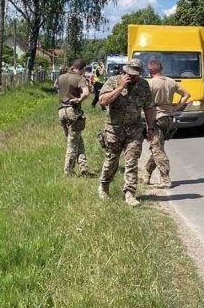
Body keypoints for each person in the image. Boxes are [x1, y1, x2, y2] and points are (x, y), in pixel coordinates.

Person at [97, 58, 155, 207]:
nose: (133, 76)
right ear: (125, 71)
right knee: (112, 161)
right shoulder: (113, 81)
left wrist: (151, 128)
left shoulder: (143, 85)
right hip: (114, 130)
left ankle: (129, 193)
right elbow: (103, 101)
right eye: (130, 73)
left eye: (136, 74)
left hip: (134, 129)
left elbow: (148, 107)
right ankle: (104, 186)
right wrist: (120, 87)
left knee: (132, 161)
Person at [142, 59, 190, 188]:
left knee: (157, 149)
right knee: (157, 146)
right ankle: (146, 174)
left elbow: (146, 104)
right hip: (169, 117)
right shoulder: (171, 81)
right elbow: (187, 94)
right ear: (161, 68)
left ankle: (165, 178)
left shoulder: (150, 83)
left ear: (151, 69)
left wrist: (148, 124)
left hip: (156, 117)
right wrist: (177, 107)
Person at [56, 59, 92, 177]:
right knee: (72, 143)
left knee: (76, 139)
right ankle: (69, 171)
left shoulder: (61, 77)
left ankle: (83, 165)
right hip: (73, 111)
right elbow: (86, 93)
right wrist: (79, 99)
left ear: (73, 66)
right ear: (82, 69)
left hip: (61, 111)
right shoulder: (80, 78)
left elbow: (57, 88)